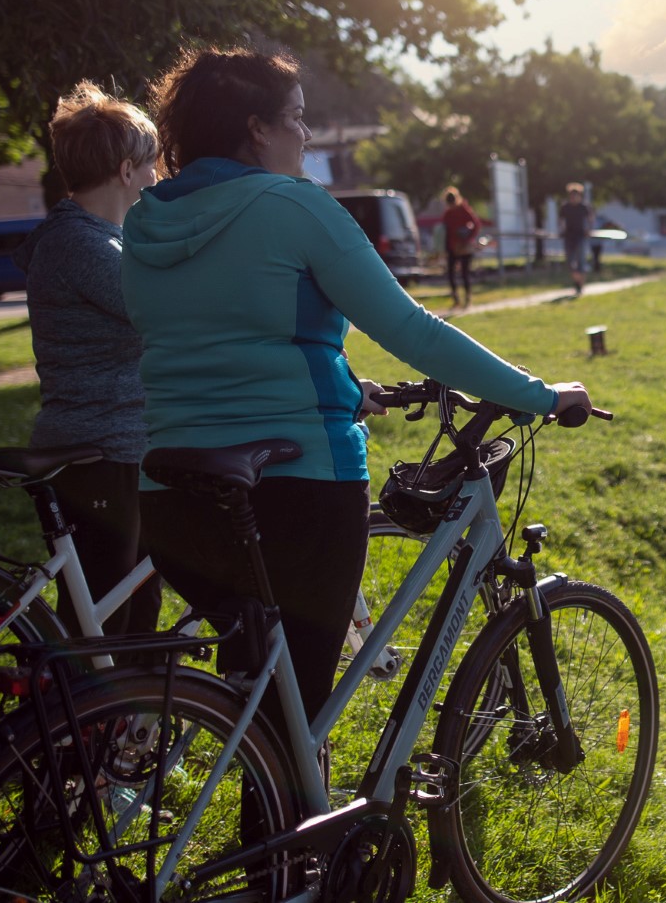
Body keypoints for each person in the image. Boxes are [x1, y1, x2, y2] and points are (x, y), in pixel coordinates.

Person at [121, 47, 589, 719]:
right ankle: (287, 821)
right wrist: (541, 394)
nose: (307, 137)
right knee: (297, 715)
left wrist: (339, 381)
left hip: (173, 498)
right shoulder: (293, 206)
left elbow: (215, 343)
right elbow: (415, 330)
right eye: (299, 118)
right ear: (258, 127)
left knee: (255, 701)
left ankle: (270, 805)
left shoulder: (145, 221)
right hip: (293, 492)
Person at [12, 82, 164, 648]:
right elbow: (158, 311)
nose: (158, 179)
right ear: (127, 171)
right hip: (99, 452)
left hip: (121, 447)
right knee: (104, 616)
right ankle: (71, 728)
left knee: (134, 601)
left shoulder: (101, 239)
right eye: (152, 166)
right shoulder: (80, 245)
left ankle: (119, 729)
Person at [440, 186, 481, 309]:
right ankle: (456, 300)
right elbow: (445, 232)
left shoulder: (464, 209)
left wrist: (468, 239)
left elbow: (476, 225)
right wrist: (446, 249)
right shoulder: (447, 214)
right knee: (451, 274)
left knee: (464, 274)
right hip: (452, 247)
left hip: (465, 247)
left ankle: (468, 299)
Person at [560, 182, 592, 296]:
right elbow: (561, 221)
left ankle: (580, 285)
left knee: (581, 262)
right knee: (570, 262)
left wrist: (589, 230)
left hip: (581, 237)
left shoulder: (584, 207)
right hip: (569, 237)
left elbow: (590, 220)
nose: (573, 197)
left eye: (575, 195)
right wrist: (562, 230)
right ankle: (577, 282)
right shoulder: (565, 207)